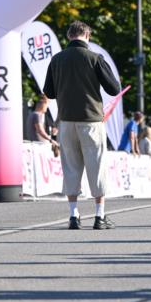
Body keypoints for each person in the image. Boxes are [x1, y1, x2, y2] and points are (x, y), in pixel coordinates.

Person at [43, 20, 121, 229]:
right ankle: (99, 216)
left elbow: (49, 92)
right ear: (87, 35)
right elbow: (114, 88)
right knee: (96, 166)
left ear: (70, 36)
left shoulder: (56, 59)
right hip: (91, 120)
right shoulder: (95, 58)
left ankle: (73, 215)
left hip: (66, 120)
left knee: (71, 166)